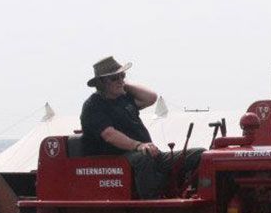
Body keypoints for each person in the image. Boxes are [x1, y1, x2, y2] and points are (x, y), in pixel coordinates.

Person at [80, 56, 202, 199]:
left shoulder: (124, 98)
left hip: (148, 152)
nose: (120, 80)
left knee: (200, 155)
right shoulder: (93, 106)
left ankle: (192, 194)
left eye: (122, 75)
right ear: (101, 83)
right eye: (114, 78)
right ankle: (152, 203)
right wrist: (138, 145)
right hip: (117, 158)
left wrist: (122, 84)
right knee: (144, 158)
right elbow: (109, 135)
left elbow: (150, 98)